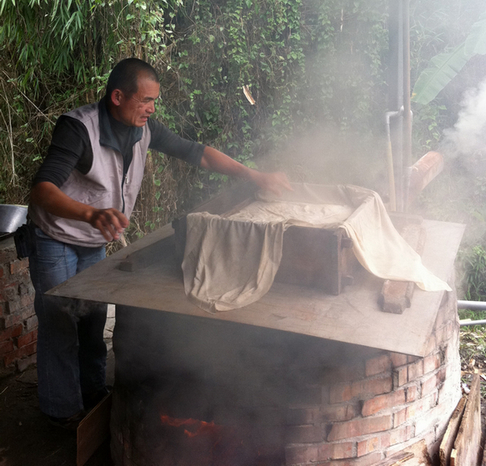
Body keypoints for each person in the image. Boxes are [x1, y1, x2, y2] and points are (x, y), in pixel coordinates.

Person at [28, 57, 291, 429]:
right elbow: (41, 191)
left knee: (90, 318)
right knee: (59, 322)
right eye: (145, 100)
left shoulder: (144, 130)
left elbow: (196, 152)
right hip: (56, 236)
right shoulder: (78, 128)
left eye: (155, 102)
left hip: (94, 238)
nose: (151, 109)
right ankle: (62, 412)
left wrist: (253, 175)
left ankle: (91, 395)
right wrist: (91, 214)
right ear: (118, 96)